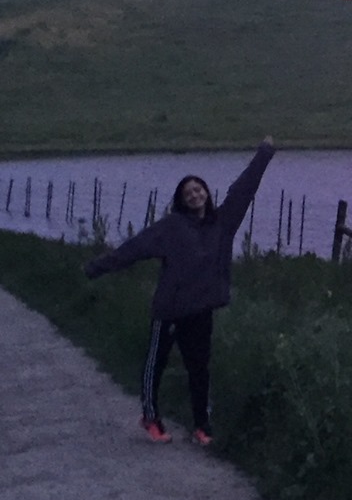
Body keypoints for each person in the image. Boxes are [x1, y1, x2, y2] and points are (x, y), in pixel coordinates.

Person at [84, 137, 276, 445]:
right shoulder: (171, 227)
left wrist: (264, 153)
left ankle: (202, 425)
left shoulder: (222, 223)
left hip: (201, 310)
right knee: (156, 364)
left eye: (198, 189)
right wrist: (98, 267)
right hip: (170, 310)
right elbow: (134, 248)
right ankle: (150, 417)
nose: (194, 195)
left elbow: (244, 189)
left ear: (206, 193)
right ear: (182, 200)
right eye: (188, 193)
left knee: (199, 368)